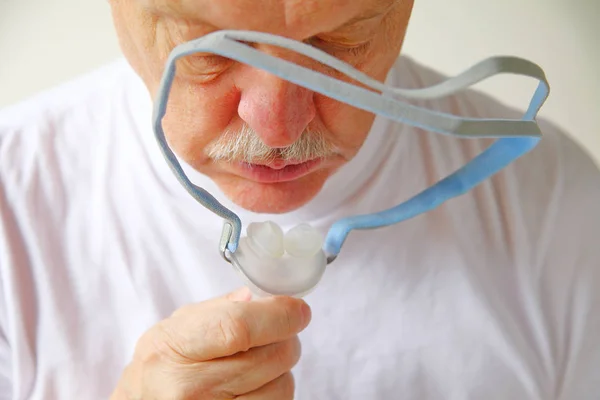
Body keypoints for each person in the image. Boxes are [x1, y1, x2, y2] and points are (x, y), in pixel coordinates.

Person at [1, 0, 599, 398]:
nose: (277, 128)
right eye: (211, 51)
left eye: (340, 44)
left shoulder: (563, 216)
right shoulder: (13, 207)